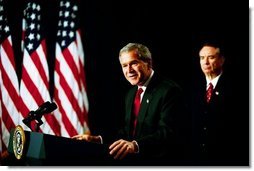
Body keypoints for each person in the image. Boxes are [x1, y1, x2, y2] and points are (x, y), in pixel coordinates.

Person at [72, 43, 189, 165]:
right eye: (124, 66)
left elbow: (167, 133)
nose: (129, 70)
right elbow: (127, 133)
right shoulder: (131, 93)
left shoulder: (169, 91)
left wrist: (135, 145)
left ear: (148, 63)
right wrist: (98, 140)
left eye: (134, 63)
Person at [189, 41, 249, 165]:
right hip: (195, 158)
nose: (205, 62)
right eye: (202, 58)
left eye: (210, 57)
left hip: (225, 158)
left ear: (222, 60)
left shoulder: (237, 89)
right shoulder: (192, 88)